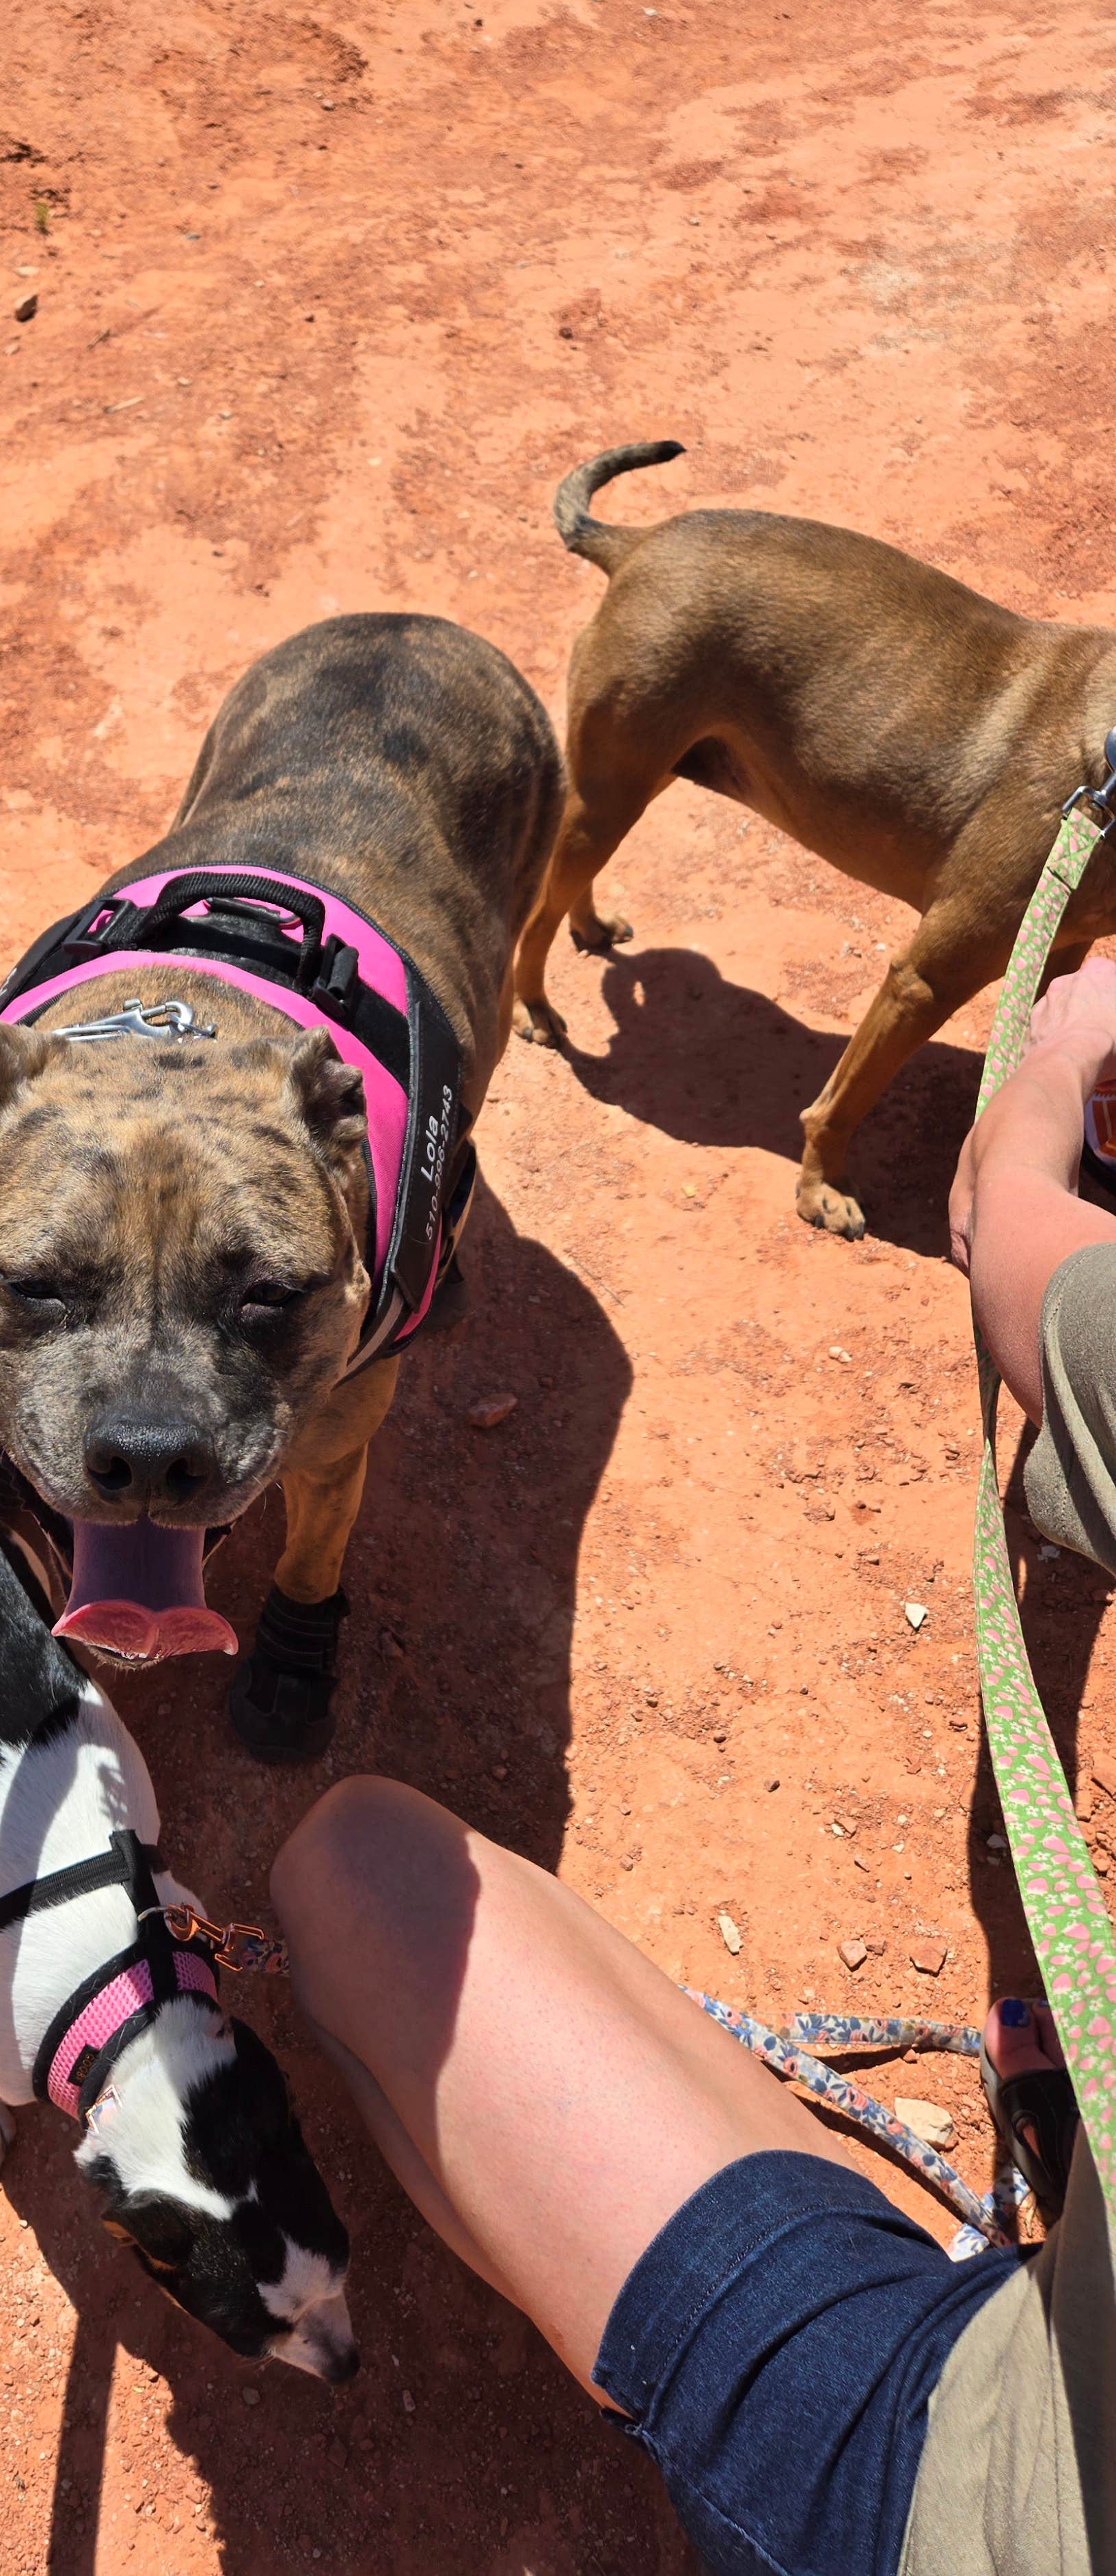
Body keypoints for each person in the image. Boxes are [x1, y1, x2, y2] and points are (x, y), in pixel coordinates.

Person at [267, 968, 1116, 2576]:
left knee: (348, 1868)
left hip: (975, 2492)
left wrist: (1067, 1050)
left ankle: (677, 2390)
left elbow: (1009, 1223)